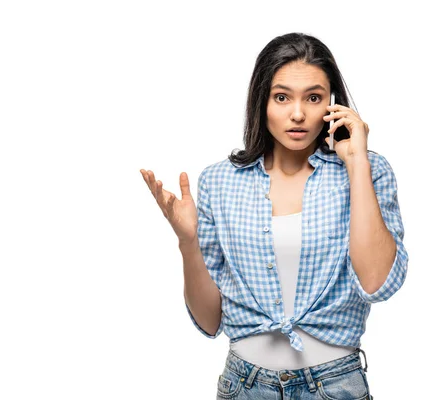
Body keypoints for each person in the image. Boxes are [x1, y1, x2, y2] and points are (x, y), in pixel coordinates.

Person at [140, 32, 408, 399]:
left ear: (331, 104)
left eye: (313, 98)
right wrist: (188, 242)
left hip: (334, 385)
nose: (297, 114)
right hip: (245, 386)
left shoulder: (368, 170)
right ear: (261, 101)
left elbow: (378, 283)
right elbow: (209, 320)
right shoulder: (219, 181)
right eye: (281, 97)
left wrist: (356, 161)